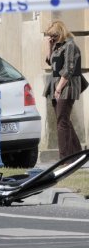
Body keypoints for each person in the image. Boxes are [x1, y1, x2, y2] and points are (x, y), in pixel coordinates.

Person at [44, 20, 83, 158]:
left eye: (54, 36)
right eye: (50, 36)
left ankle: (65, 157)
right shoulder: (58, 46)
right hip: (56, 85)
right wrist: (49, 46)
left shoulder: (70, 45)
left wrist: (59, 88)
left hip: (67, 86)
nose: (52, 39)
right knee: (64, 120)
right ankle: (78, 152)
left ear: (60, 33)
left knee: (62, 122)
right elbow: (51, 62)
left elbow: (68, 70)